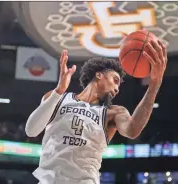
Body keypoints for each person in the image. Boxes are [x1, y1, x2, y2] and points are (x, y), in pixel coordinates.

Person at [25, 39, 167, 184]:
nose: (117, 89)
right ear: (99, 75)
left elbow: (132, 130)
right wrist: (58, 91)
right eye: (115, 80)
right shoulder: (58, 98)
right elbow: (31, 131)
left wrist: (154, 84)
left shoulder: (113, 113)